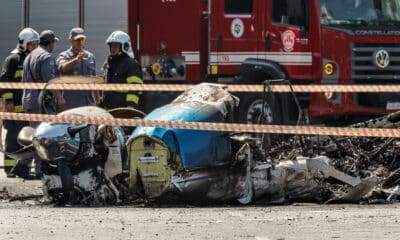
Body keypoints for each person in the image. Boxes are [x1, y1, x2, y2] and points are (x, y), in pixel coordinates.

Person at [0, 28, 39, 178]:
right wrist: (8, 100)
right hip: (14, 108)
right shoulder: (13, 59)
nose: (34, 47)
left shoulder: (31, 59)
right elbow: (5, 81)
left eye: (36, 44)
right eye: (32, 44)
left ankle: (24, 169)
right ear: (24, 43)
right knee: (12, 139)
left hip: (26, 110)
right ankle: (10, 169)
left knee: (27, 139)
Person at [22, 30, 66, 119]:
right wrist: (60, 98)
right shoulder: (46, 57)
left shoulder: (29, 56)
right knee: (45, 131)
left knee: (34, 131)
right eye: (53, 42)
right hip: (41, 103)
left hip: (28, 101)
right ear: (50, 43)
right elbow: (50, 80)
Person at [57, 27, 97, 109]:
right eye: (77, 40)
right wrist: (75, 60)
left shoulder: (90, 57)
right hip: (72, 105)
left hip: (89, 104)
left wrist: (97, 99)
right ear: (70, 40)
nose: (80, 42)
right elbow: (62, 68)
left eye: (82, 39)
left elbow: (94, 79)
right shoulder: (64, 56)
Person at [102, 30, 143, 110]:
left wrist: (130, 107)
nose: (113, 48)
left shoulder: (131, 64)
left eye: (116, 46)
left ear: (125, 47)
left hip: (123, 110)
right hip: (109, 109)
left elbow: (135, 88)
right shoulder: (110, 63)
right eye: (112, 46)